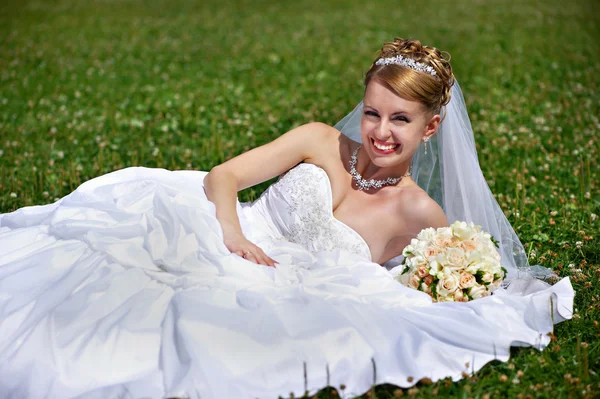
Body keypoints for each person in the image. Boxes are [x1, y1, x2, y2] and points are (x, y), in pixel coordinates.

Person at [0, 38, 573, 399]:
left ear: (429, 128)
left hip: (287, 282)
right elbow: (222, 176)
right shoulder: (320, 141)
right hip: (220, 228)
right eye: (373, 111)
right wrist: (230, 231)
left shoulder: (421, 216)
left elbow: (419, 291)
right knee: (94, 265)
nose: (379, 131)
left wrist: (464, 282)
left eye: (400, 119)